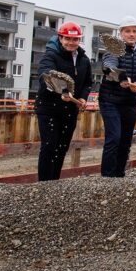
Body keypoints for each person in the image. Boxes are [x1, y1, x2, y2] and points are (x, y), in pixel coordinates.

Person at [35, 22, 92, 181]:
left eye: (75, 39)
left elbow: (88, 83)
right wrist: (61, 90)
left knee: (62, 147)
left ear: (79, 40)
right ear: (60, 38)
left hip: (70, 109)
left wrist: (83, 97)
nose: (71, 42)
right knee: (49, 146)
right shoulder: (51, 56)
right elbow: (45, 75)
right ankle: (45, 185)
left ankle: (54, 182)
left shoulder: (84, 60)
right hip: (49, 108)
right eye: (67, 38)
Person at [98, 16, 136, 177]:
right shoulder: (114, 50)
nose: (131, 34)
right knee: (114, 137)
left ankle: (119, 174)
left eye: (135, 31)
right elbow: (109, 66)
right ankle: (107, 176)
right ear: (121, 33)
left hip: (129, 101)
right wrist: (120, 77)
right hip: (110, 100)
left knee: (126, 140)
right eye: (127, 31)